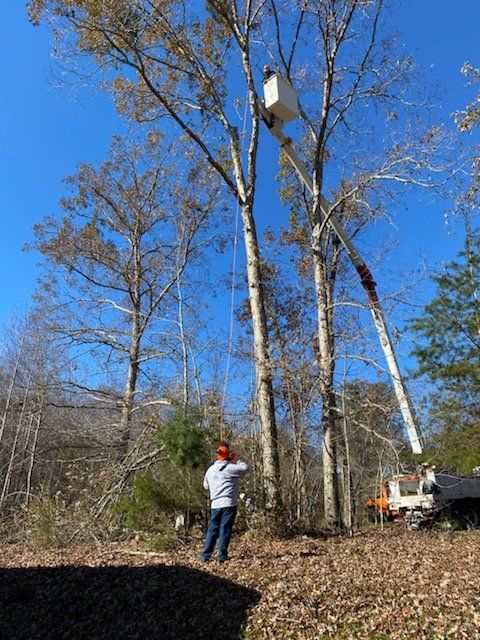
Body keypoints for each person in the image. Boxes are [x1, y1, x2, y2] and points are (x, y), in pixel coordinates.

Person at [200, 442, 248, 563]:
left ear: (217, 456)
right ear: (228, 456)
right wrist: (236, 460)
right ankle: (222, 556)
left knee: (212, 530)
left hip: (215, 504)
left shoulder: (210, 470)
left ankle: (205, 556)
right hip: (228, 503)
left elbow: (205, 486)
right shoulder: (231, 468)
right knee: (225, 529)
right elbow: (245, 469)